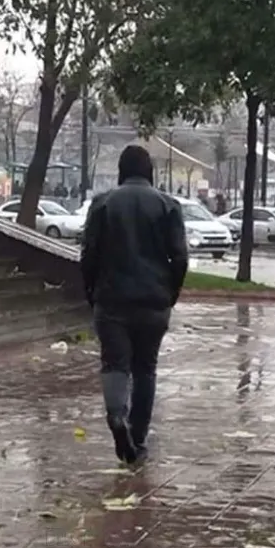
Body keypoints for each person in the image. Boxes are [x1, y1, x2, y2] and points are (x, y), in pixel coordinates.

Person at [81, 145, 189, 465]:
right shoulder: (168, 206)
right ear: (150, 172)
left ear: (121, 171)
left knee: (115, 363)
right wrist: (171, 292)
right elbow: (180, 257)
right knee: (145, 368)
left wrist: (91, 291)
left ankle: (117, 415)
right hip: (154, 301)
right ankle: (138, 437)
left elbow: (89, 253)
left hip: (112, 299)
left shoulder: (102, 204)